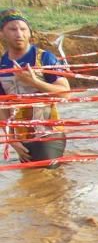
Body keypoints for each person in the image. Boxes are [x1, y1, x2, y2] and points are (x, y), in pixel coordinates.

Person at [0, 11, 69, 163]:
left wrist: (34, 82)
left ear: (30, 33)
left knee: (47, 179)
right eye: (13, 29)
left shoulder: (44, 58)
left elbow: (65, 93)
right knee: (31, 182)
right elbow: (2, 106)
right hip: (21, 137)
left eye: (23, 29)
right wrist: (11, 139)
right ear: (2, 33)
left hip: (48, 134)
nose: (19, 34)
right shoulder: (1, 65)